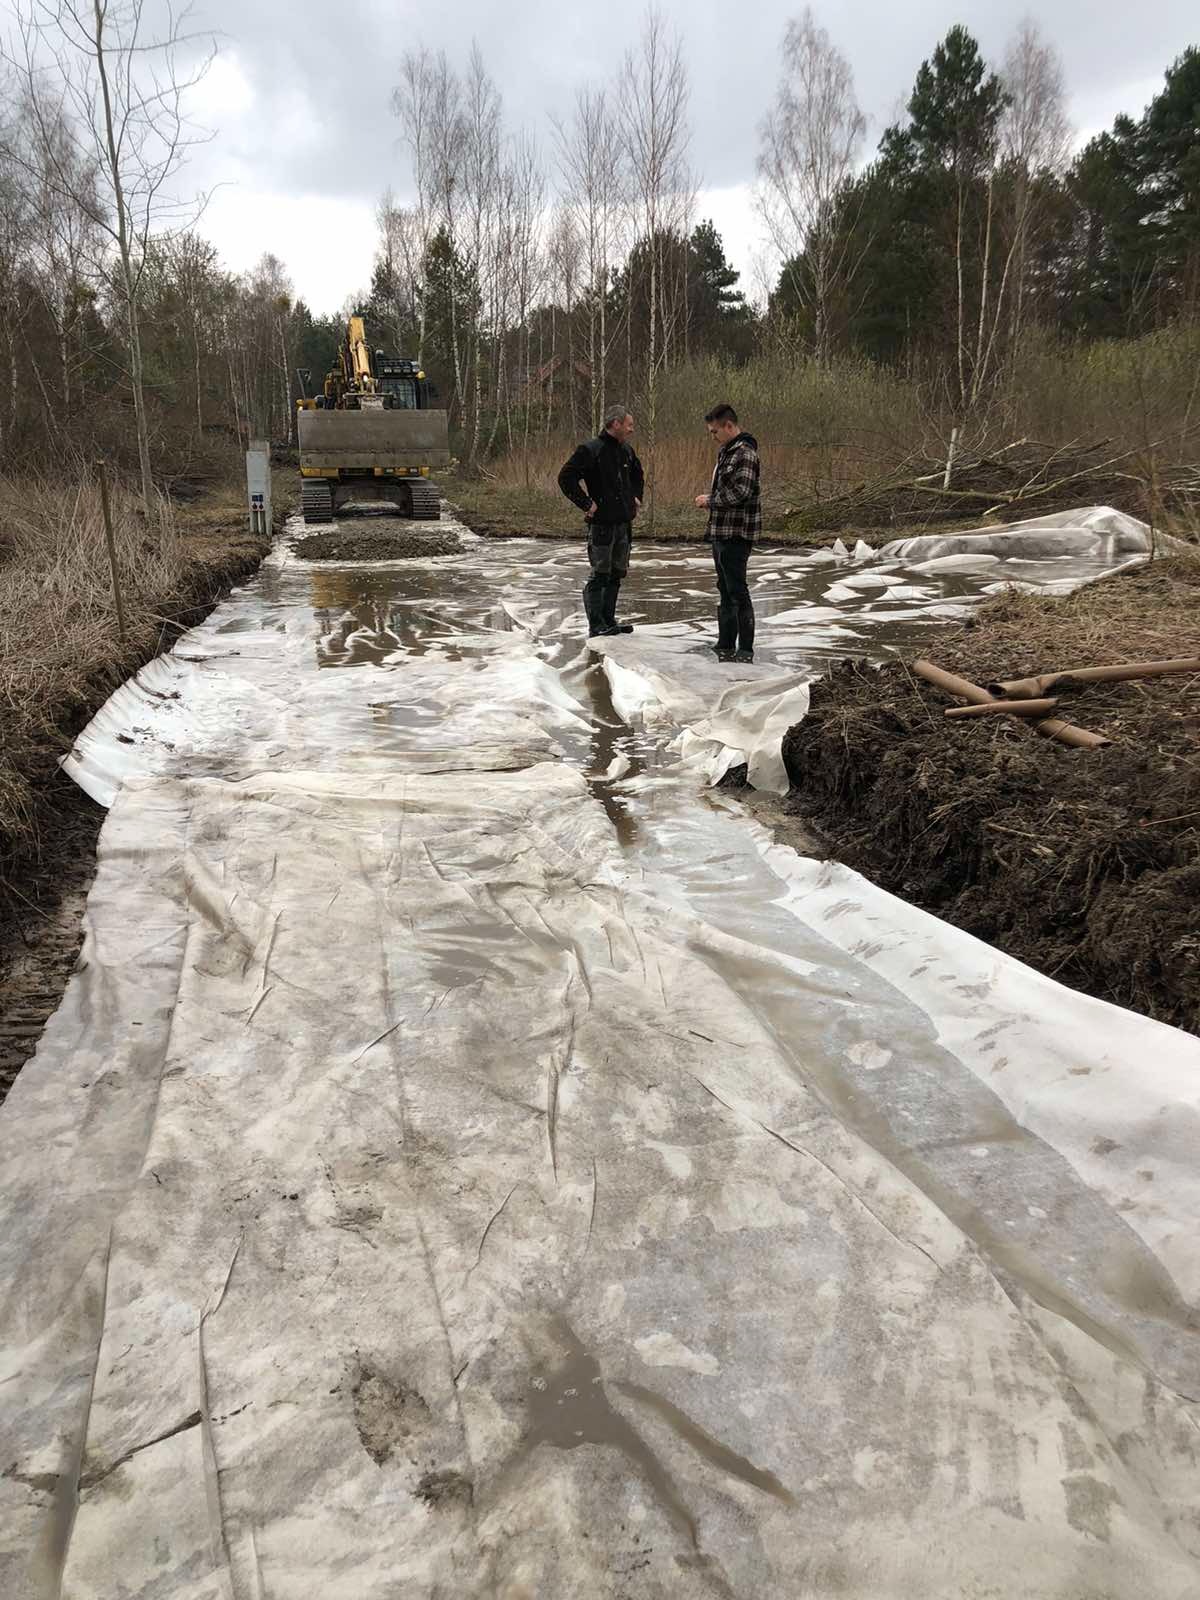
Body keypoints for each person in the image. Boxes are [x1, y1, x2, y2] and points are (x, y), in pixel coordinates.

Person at [558, 405, 644, 638]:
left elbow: (638, 474)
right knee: (600, 574)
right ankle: (596, 625)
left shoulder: (627, 450)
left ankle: (609, 620)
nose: (632, 429)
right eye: (629, 425)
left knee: (617, 573)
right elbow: (565, 478)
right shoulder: (590, 449)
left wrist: (636, 497)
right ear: (615, 424)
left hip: (624, 524)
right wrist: (586, 504)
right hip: (601, 525)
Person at [694, 404, 760, 662]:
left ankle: (744, 648)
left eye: (714, 431)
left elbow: (740, 493)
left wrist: (709, 500)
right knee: (724, 588)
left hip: (737, 533)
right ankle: (725, 643)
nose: (713, 436)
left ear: (729, 426)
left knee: (737, 589)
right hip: (721, 531)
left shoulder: (745, 454)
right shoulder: (727, 452)